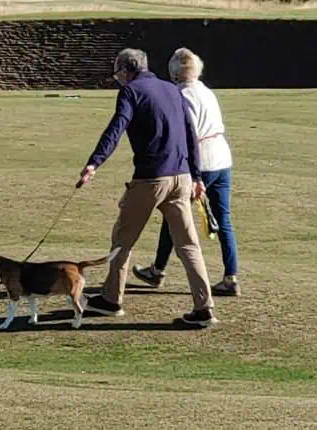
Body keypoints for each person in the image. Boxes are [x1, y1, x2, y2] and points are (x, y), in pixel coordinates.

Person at [77, 48, 218, 327]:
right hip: (182, 178)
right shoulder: (172, 89)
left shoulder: (131, 91)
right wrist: (197, 177)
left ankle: (111, 300)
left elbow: (116, 128)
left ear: (127, 70)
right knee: (189, 245)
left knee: (122, 240)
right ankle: (204, 307)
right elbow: (191, 135)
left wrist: (94, 163)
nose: (118, 79)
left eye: (118, 73)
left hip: (151, 179)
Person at [132, 47, 241, 297]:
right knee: (223, 219)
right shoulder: (207, 91)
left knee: (174, 213)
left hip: (199, 161)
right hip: (222, 158)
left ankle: (157, 270)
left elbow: (185, 135)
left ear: (174, 72)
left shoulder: (178, 94)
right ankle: (230, 276)